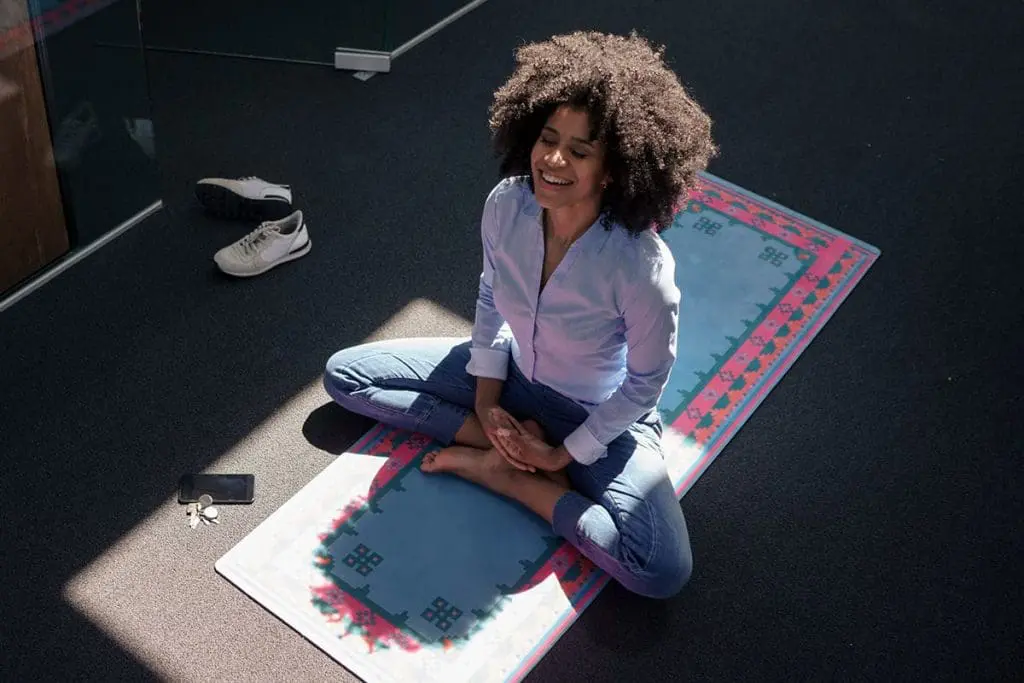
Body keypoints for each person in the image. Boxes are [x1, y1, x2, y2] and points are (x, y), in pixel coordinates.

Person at [324, 31, 717, 599]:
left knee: (659, 568)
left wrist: (563, 453)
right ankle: (503, 448)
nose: (553, 160)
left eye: (580, 152)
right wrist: (487, 404)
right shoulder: (506, 204)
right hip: (508, 382)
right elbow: (489, 296)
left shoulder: (640, 266)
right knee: (347, 376)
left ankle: (516, 480)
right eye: (548, 138)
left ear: (612, 170)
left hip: (595, 419)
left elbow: (645, 383)